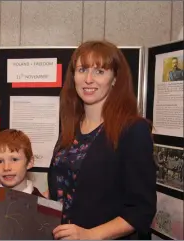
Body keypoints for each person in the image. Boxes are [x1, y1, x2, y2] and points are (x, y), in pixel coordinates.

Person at [47, 40, 157, 240]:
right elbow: (64, 187)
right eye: (82, 70)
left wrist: (91, 235)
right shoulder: (69, 127)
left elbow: (141, 209)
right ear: (74, 76)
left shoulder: (133, 129)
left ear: (114, 78)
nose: (89, 79)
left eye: (99, 71)